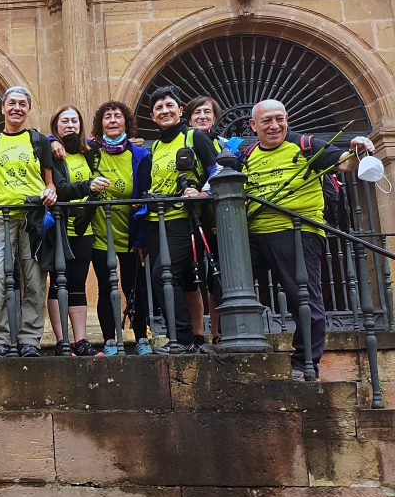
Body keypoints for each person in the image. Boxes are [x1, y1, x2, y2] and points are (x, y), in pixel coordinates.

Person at [239, 99, 372, 380]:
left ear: (287, 118)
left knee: (304, 299)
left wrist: (356, 149)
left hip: (298, 233)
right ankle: (236, 341)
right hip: (254, 235)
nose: (274, 126)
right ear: (253, 125)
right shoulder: (246, 154)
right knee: (224, 281)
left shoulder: (306, 145)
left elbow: (343, 163)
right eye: (266, 121)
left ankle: (304, 364)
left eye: (279, 119)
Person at [0, 86, 57, 358]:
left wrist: (50, 192)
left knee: (34, 279)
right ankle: (0, 338)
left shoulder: (39, 140)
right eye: (11, 103)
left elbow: (49, 182)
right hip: (0, 217)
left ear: (29, 109)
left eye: (22, 104)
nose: (17, 108)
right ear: (2, 108)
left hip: (32, 217)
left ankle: (29, 339)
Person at [145, 85, 218, 352]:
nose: (164, 111)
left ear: (180, 110)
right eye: (158, 108)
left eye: (169, 106)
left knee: (163, 276)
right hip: (156, 223)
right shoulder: (155, 146)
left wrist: (202, 191)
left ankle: (182, 339)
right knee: (184, 279)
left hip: (182, 220)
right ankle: (194, 339)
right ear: (153, 117)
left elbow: (217, 168)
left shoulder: (194, 136)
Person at [88, 101, 153, 355]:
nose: (112, 120)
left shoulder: (140, 155)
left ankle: (141, 338)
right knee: (105, 287)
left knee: (133, 285)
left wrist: (142, 237)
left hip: (130, 233)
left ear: (126, 122)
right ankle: (109, 339)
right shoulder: (91, 151)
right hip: (99, 232)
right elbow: (59, 138)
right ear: (100, 124)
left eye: (117, 116)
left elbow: (145, 192)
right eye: (107, 117)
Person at [46, 105, 109, 357]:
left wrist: (92, 196)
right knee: (57, 283)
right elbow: (61, 189)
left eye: (74, 120)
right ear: (55, 126)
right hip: (59, 227)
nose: (70, 125)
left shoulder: (90, 152)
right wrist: (90, 187)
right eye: (64, 121)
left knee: (78, 284)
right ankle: (62, 340)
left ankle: (81, 340)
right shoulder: (50, 153)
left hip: (85, 227)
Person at [181, 95, 233, 346]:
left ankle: (219, 331)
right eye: (197, 112)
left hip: (217, 218)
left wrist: (205, 193)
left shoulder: (226, 145)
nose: (202, 116)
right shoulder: (185, 141)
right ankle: (198, 332)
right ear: (189, 118)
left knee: (217, 277)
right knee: (192, 274)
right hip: (189, 217)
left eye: (207, 112)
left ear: (214, 117)